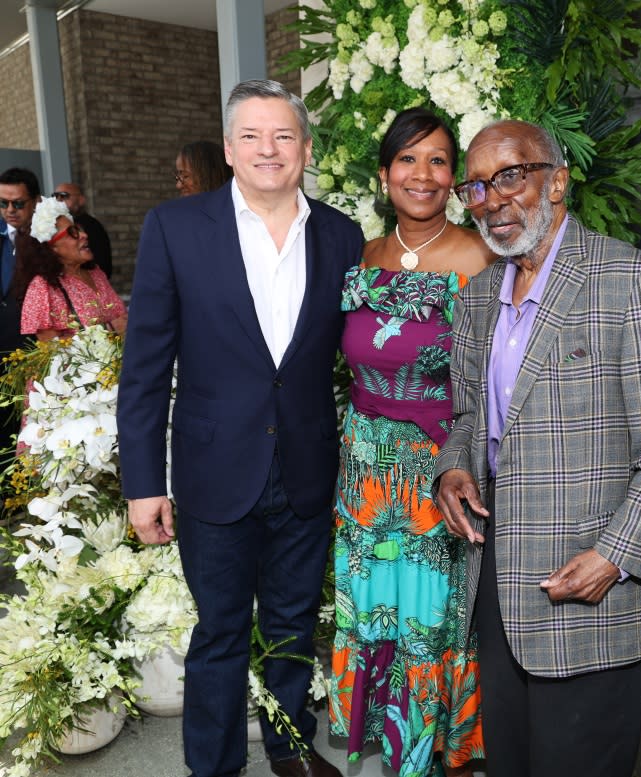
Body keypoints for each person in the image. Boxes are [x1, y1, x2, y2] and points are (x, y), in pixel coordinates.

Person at [117, 79, 363, 777]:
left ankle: (288, 749)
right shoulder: (175, 227)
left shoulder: (342, 234)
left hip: (308, 470)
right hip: (212, 471)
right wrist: (143, 482)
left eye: (283, 135)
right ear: (228, 148)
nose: (268, 149)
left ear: (305, 149)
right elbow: (143, 368)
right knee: (221, 632)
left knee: (291, 626)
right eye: (251, 136)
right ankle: (215, 767)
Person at [434, 120, 641, 777]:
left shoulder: (627, 281)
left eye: (510, 175)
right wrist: (454, 467)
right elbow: (464, 415)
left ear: (558, 179)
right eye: (476, 186)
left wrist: (615, 556)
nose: (491, 199)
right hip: (500, 591)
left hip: (588, 592)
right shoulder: (480, 294)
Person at [329, 107, 493, 776]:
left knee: (428, 621)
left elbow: (491, 378)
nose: (422, 174)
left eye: (438, 160)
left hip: (437, 470)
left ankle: (424, 756)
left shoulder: (479, 256)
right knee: (376, 609)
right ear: (384, 172)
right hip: (367, 468)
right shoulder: (363, 256)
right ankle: (389, 746)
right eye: (408, 159)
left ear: (453, 178)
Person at [14, 196, 126, 340]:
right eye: (73, 233)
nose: (84, 235)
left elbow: (121, 317)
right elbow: (51, 351)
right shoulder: (42, 287)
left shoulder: (95, 272)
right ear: (52, 247)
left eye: (79, 229)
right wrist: (110, 330)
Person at [0, 168, 40, 511]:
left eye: (18, 203)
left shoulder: (48, 242)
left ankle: (31, 497)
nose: (10, 210)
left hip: (34, 351)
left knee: (30, 430)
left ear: (35, 201)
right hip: (1, 351)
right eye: (3, 203)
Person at [52, 182, 113, 278]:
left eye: (64, 196)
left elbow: (102, 264)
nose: (58, 200)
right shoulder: (52, 225)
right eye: (55, 196)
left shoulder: (92, 226)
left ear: (81, 200)